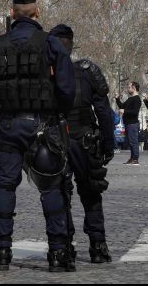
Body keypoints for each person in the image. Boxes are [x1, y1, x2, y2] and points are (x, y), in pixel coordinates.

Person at [0, 0, 76, 273]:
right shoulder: (50, 44)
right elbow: (66, 88)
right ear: (37, 12)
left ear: (12, 13)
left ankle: (1, 252)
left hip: (8, 125)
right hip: (42, 125)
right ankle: (58, 254)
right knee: (51, 189)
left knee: (5, 185)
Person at [49, 24, 114, 264]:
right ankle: (98, 245)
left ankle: (64, 245)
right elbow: (104, 112)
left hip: (56, 140)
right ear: (72, 44)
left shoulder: (46, 72)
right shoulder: (87, 72)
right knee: (91, 193)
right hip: (83, 139)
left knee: (59, 194)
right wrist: (108, 145)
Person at [116, 82, 142, 164]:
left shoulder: (137, 99)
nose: (128, 88)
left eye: (129, 87)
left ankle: (135, 159)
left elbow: (134, 112)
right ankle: (132, 158)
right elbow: (121, 106)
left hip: (133, 124)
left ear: (133, 88)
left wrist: (124, 111)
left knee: (134, 142)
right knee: (130, 142)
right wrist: (117, 98)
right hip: (127, 123)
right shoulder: (130, 99)